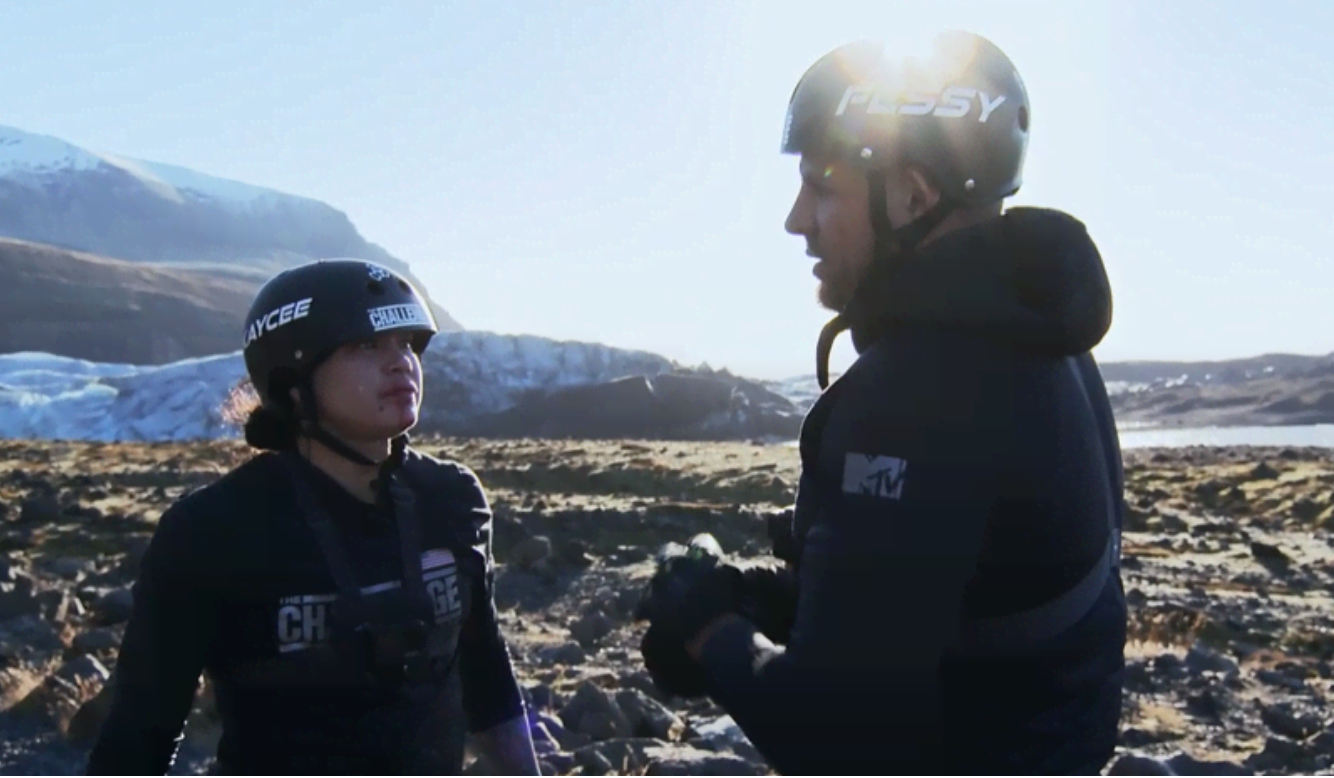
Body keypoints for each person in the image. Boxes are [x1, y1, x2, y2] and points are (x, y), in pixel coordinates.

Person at [635, 30, 1128, 775]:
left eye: (822, 185)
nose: (797, 219)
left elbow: (836, 737)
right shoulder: (1043, 340)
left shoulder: (915, 394)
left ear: (911, 195)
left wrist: (704, 628)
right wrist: (764, 597)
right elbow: (951, 591)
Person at [85, 259, 540, 775]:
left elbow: (486, 677)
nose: (401, 364)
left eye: (407, 343)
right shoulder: (213, 531)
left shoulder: (452, 499)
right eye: (366, 345)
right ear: (293, 380)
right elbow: (140, 732)